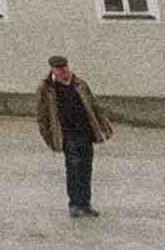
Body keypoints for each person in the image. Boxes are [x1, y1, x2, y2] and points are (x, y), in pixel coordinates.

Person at [34, 55, 112, 219]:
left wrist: (104, 126)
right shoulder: (46, 88)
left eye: (65, 68)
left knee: (86, 168)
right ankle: (75, 204)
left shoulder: (79, 83)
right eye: (59, 69)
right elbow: (42, 116)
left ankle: (85, 203)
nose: (63, 72)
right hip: (67, 134)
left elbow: (93, 105)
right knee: (73, 168)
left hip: (85, 132)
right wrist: (49, 137)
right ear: (53, 70)